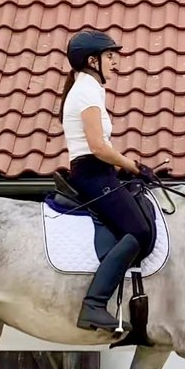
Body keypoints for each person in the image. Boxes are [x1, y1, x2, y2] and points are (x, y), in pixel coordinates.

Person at [59, 29, 156, 332]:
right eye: (110, 56)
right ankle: (94, 304)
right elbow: (98, 146)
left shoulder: (90, 89)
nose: (116, 63)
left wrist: (125, 168)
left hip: (99, 170)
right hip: (92, 173)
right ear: (92, 60)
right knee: (139, 229)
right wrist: (134, 166)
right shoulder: (86, 90)